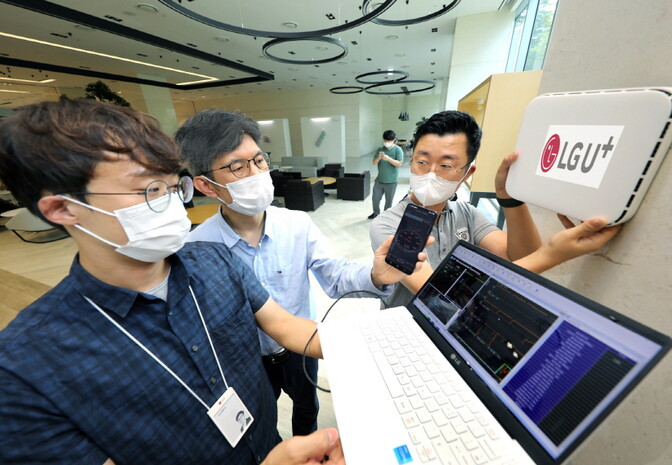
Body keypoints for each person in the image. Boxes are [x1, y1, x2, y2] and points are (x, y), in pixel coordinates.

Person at [0, 98, 349, 465]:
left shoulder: (215, 260)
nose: (171, 205)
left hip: (267, 438)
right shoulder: (26, 370)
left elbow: (287, 326)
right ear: (63, 208)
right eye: (149, 190)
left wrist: (375, 344)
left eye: (172, 187)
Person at [175, 109, 421, 437]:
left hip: (302, 347)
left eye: (259, 160)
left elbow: (335, 275)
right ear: (206, 185)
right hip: (247, 360)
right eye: (237, 166)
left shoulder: (296, 224)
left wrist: (376, 276)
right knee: (261, 421)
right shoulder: (197, 248)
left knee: (307, 409)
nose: (256, 173)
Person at [370, 110, 622, 308]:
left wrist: (510, 199)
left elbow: (521, 257)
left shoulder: (466, 214)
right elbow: (440, 297)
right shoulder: (387, 225)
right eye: (422, 162)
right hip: (406, 335)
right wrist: (551, 255)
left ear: (467, 173)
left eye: (446, 166)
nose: (431, 173)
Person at [368, 129, 404, 219]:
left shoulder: (398, 150)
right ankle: (376, 213)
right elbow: (374, 162)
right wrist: (379, 158)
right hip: (379, 180)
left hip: (391, 181)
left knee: (388, 201)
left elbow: (399, 164)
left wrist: (388, 159)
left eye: (389, 141)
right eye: (385, 141)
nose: (387, 143)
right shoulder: (380, 149)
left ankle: (386, 216)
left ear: (394, 140)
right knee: (375, 199)